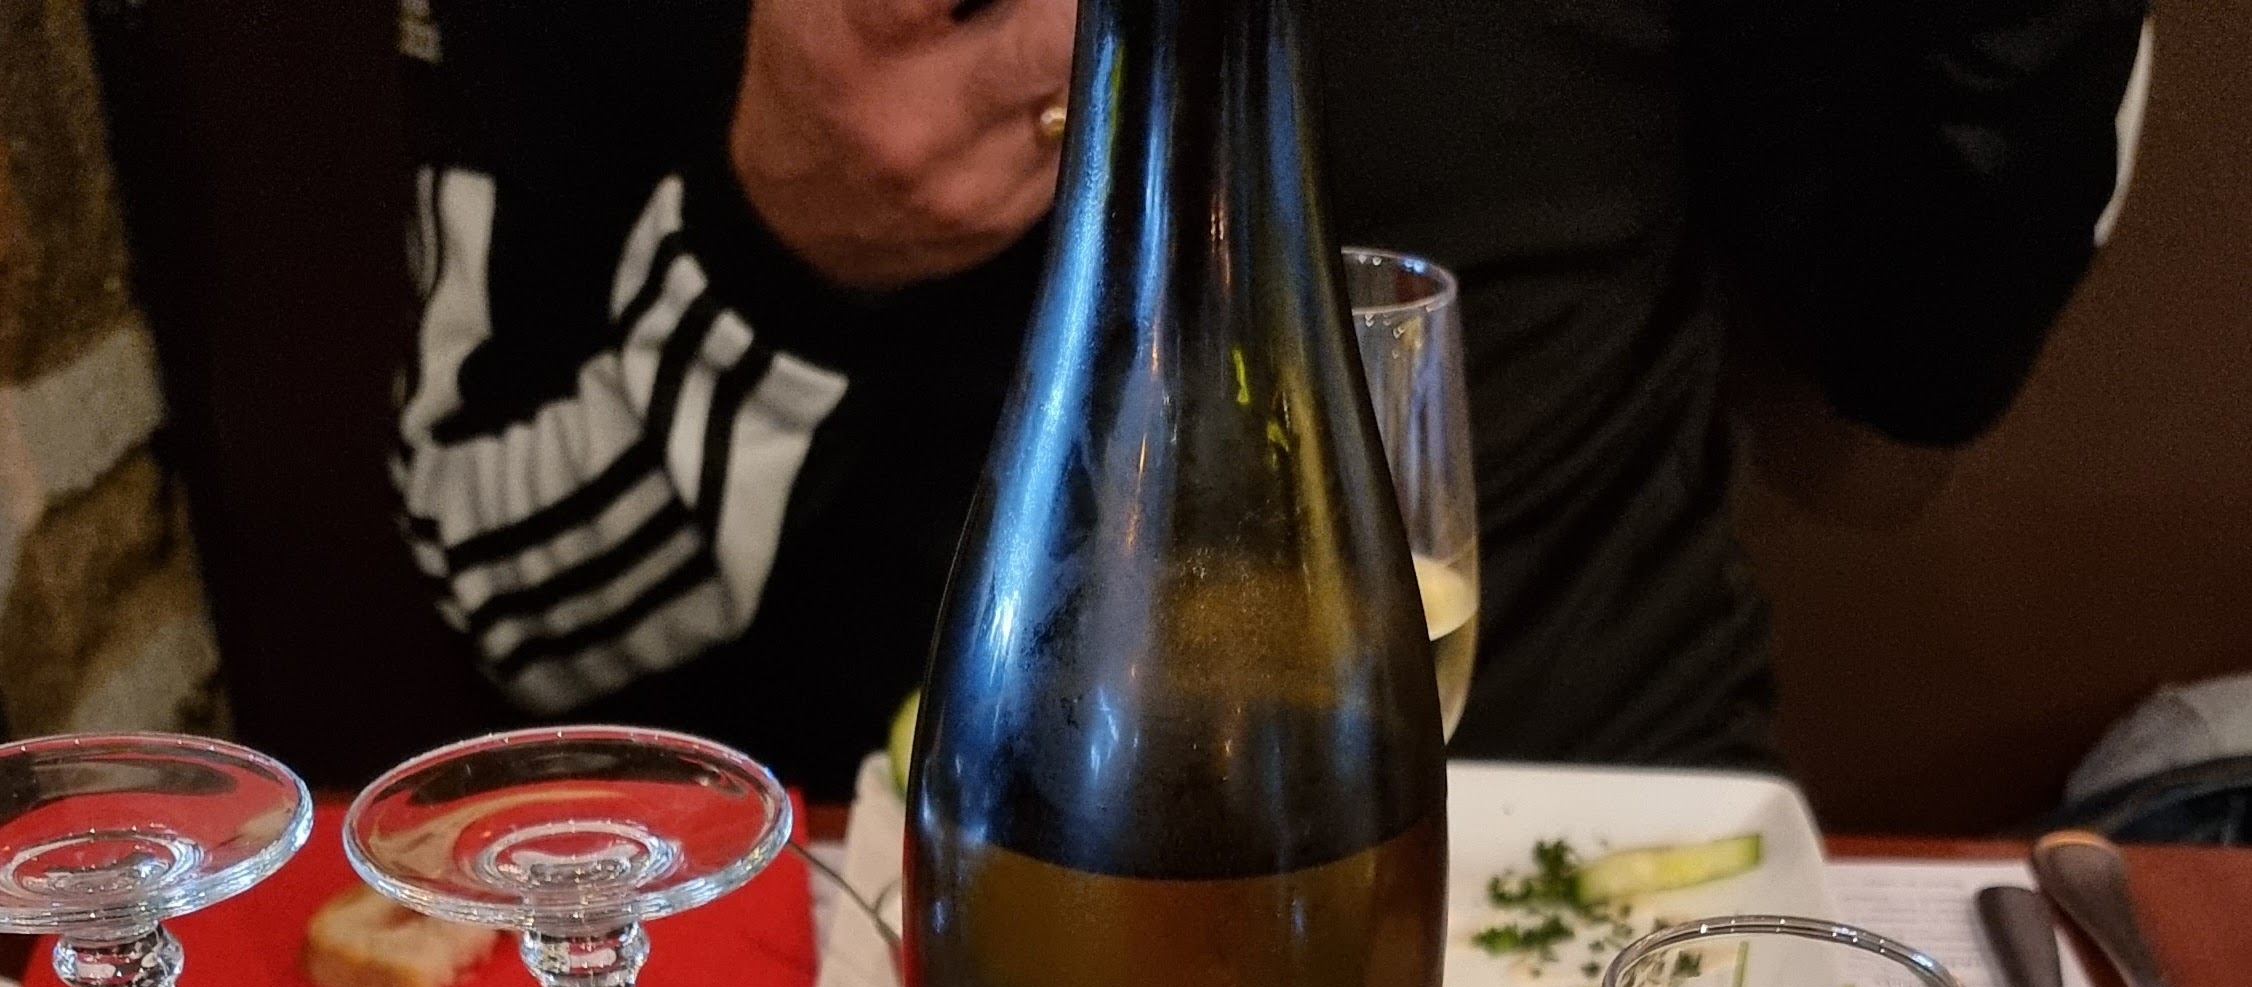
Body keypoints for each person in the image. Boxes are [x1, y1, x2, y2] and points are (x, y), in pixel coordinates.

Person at [393, 0, 2149, 800]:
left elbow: (1921, 354)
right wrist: (783, 251)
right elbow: (519, 615)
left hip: (1584, 850)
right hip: (903, 920)